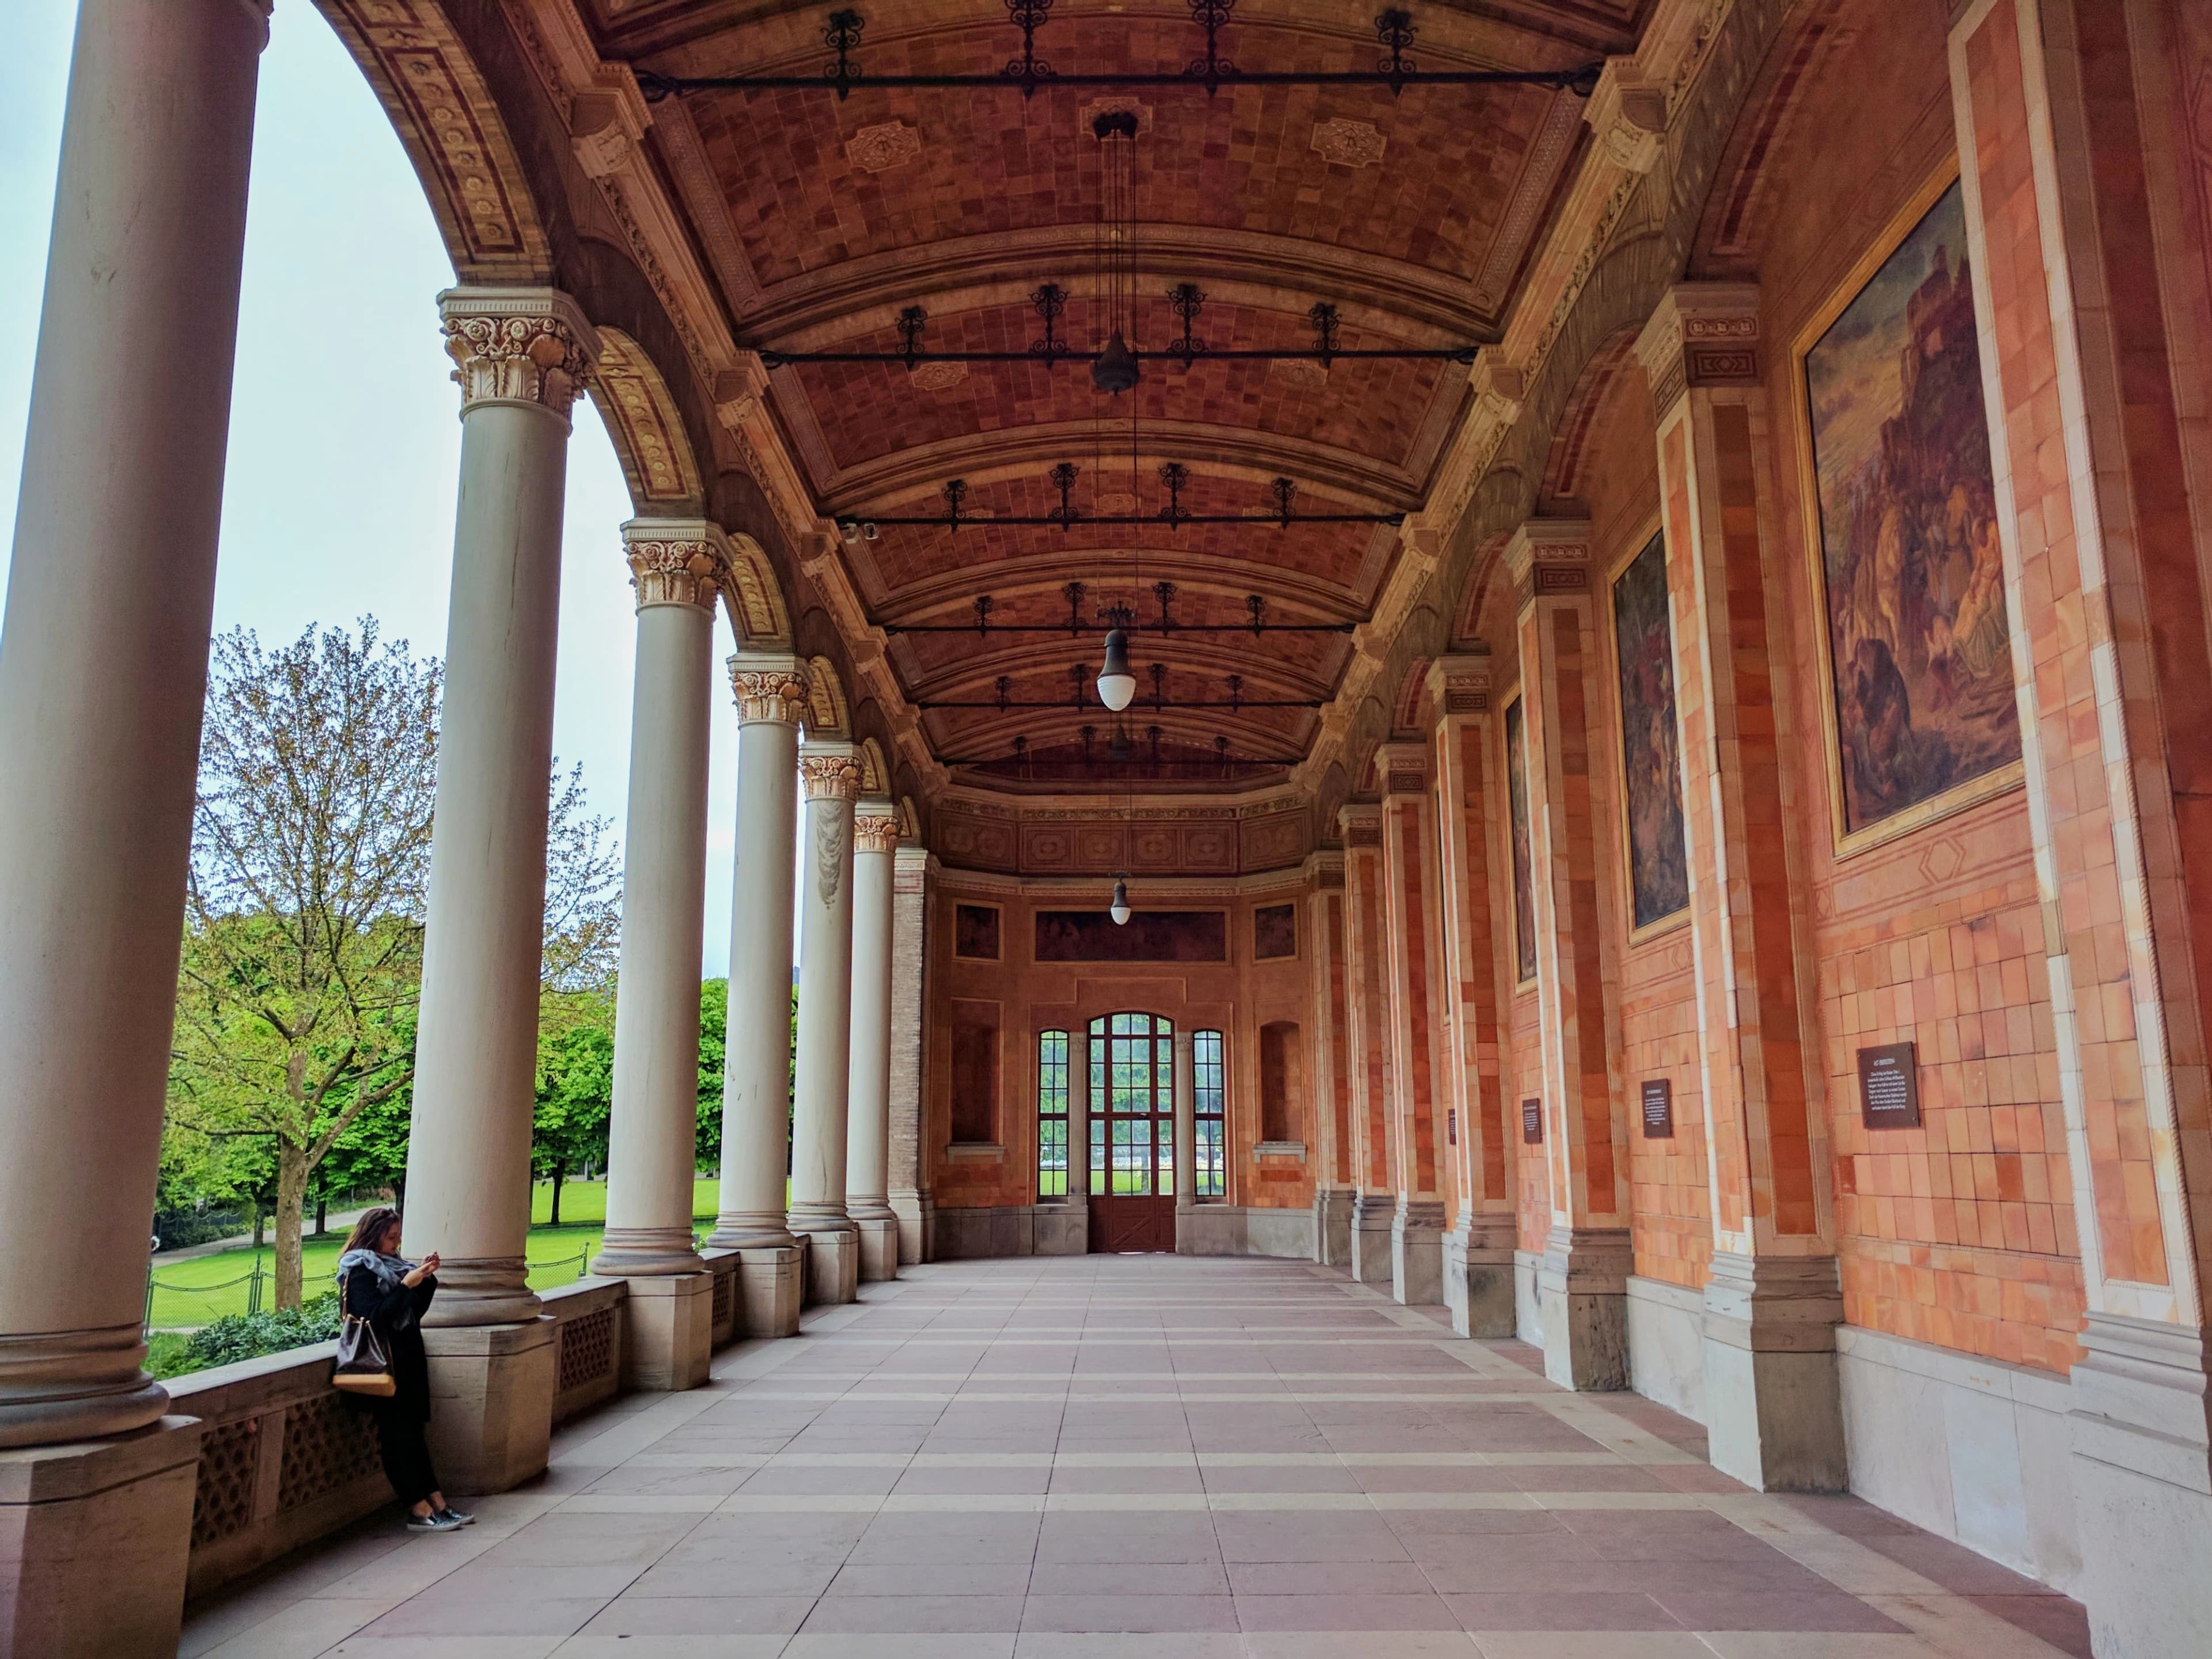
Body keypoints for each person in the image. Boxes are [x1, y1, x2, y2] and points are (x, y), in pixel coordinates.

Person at [335, 1207, 474, 1533]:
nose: (397, 1244)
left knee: (414, 1434)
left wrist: (425, 1279)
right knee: (396, 1437)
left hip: (408, 1358)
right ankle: (418, 1508)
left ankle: (438, 1503)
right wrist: (406, 1285)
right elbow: (375, 1317)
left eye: (399, 1236)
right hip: (382, 1363)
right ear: (373, 1236)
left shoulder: (395, 1267)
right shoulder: (359, 1270)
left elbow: (415, 1312)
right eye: (391, 1237)